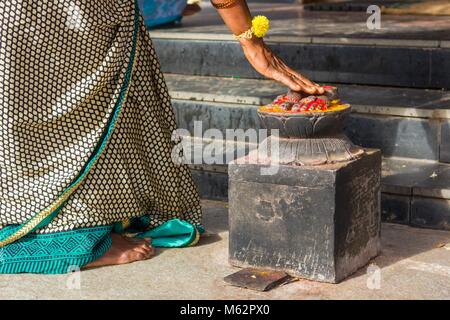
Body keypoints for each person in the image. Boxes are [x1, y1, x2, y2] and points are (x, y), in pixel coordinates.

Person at [0, 0, 323, 274]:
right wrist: (251, 41)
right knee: (87, 114)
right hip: (68, 16)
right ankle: (72, 233)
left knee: (23, 110)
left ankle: (39, 214)